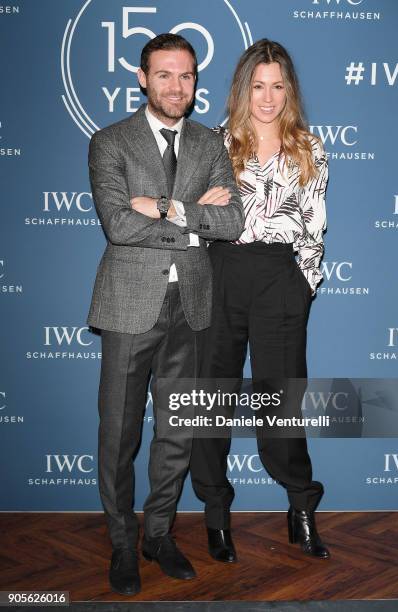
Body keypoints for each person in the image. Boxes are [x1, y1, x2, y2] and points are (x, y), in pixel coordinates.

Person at [87, 33, 244, 595]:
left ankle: (159, 535)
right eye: (166, 75)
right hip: (130, 305)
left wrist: (163, 206)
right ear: (142, 77)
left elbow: (232, 224)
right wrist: (196, 220)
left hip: (192, 308)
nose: (178, 86)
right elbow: (117, 225)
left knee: (177, 432)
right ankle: (124, 544)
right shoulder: (111, 142)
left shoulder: (209, 144)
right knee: (119, 434)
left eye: (188, 76)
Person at [190, 39, 330, 563]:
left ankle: (300, 510)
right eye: (258, 86)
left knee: (282, 403)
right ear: (242, 89)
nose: (268, 98)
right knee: (210, 401)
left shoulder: (309, 148)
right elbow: (191, 220)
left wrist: (302, 283)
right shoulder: (212, 144)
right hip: (221, 272)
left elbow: (314, 228)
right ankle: (216, 516)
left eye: (277, 86)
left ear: (288, 89)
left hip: (280, 278)